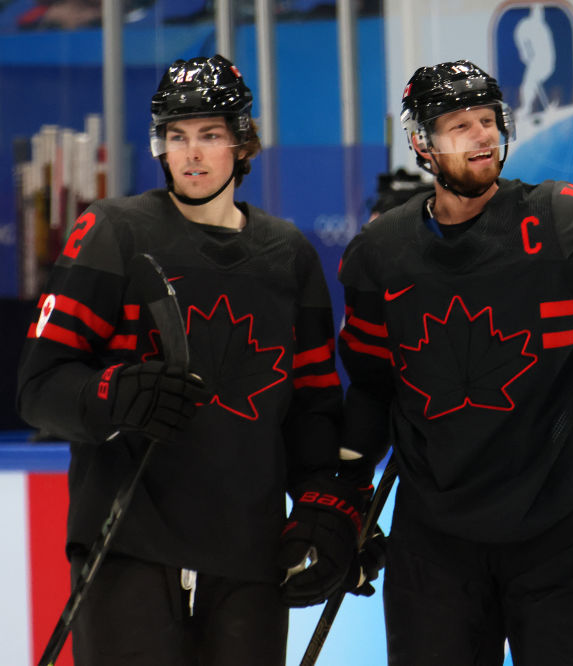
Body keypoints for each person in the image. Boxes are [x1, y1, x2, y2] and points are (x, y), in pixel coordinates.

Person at [334, 59, 573, 665]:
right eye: (460, 124)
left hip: (557, 538)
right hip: (432, 551)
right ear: (421, 144)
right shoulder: (379, 255)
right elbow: (370, 391)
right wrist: (342, 506)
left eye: (488, 119)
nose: (483, 134)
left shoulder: (560, 215)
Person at [16, 55, 362, 665]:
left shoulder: (289, 257)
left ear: (242, 143)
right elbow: (39, 386)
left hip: (251, 559)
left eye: (209, 135)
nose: (192, 154)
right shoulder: (112, 232)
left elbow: (310, 408)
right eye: (177, 137)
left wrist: (322, 505)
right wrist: (110, 396)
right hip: (126, 546)